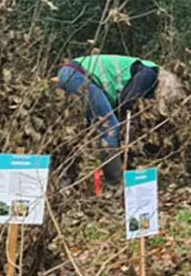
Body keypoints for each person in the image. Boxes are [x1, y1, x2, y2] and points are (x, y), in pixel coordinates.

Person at [53, 53, 167, 184]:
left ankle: (66, 179)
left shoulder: (136, 69)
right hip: (78, 75)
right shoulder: (150, 71)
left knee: (83, 131)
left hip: (70, 73)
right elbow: (126, 102)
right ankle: (115, 182)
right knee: (110, 127)